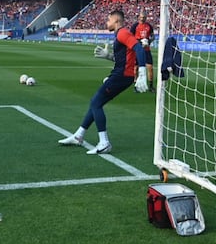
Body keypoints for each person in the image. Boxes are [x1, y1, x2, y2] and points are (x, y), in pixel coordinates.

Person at [58, 9, 148, 155]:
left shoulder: (123, 33)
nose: (107, 22)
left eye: (109, 20)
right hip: (121, 74)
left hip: (121, 76)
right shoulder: (119, 34)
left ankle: (104, 142)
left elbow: (139, 48)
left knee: (95, 102)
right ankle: (79, 135)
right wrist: (109, 56)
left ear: (116, 21)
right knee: (96, 103)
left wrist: (142, 72)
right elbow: (124, 58)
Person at [130, 11, 155, 92]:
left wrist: (149, 41)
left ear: (146, 18)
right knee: (136, 68)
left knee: (150, 68)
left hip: (147, 50)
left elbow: (153, 36)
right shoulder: (135, 26)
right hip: (137, 49)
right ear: (138, 17)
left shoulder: (149, 26)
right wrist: (139, 42)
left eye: (144, 18)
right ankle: (136, 86)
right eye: (141, 17)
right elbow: (130, 37)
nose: (142, 19)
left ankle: (151, 86)